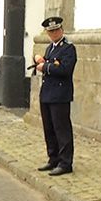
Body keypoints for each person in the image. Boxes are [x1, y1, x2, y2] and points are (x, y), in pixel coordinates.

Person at [34, 16, 77, 176]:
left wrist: (45, 66)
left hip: (60, 94)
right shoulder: (50, 48)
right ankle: (53, 159)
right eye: (50, 31)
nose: (54, 33)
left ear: (61, 30)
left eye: (56, 30)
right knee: (49, 129)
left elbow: (65, 70)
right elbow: (49, 64)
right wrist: (40, 61)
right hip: (47, 93)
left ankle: (65, 162)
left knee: (62, 129)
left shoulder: (68, 48)